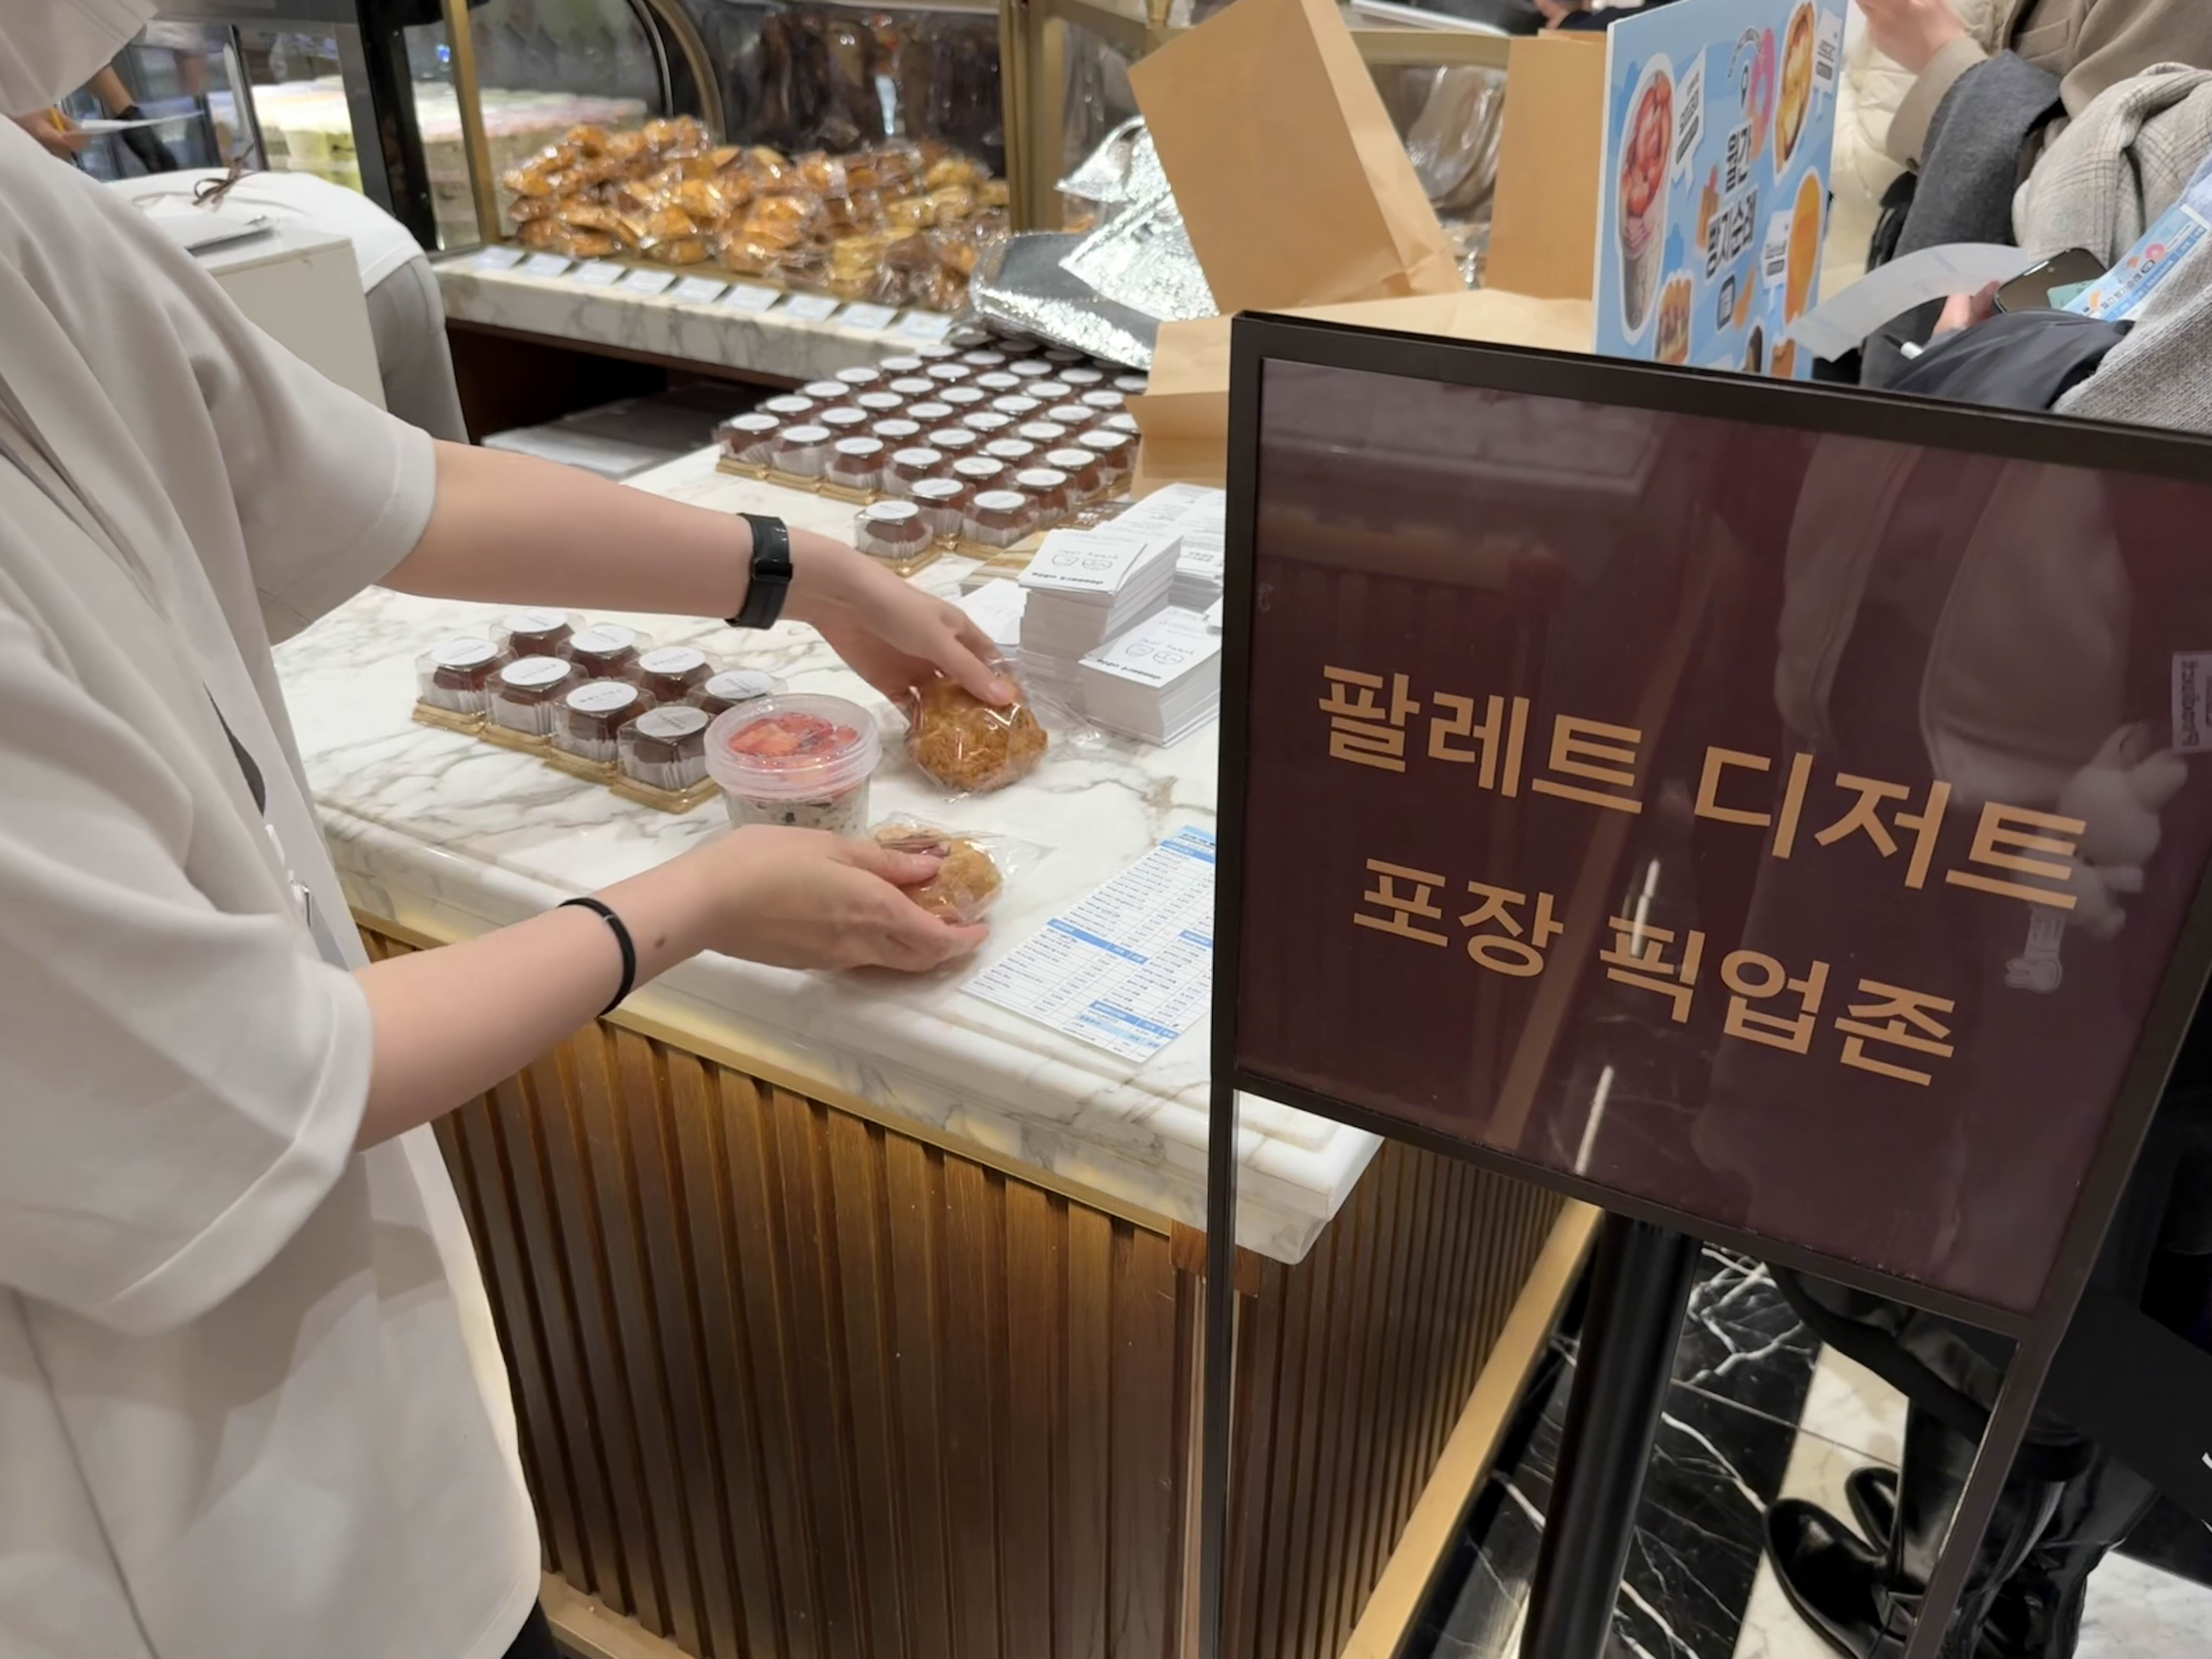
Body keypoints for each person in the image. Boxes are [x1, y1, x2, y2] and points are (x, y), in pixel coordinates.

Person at [0, 4, 1013, 1659]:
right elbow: (251, 1083)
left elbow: (399, 491)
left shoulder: (27, 211)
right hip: (134, 1532)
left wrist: (811, 572)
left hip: (368, 1417)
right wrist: (694, 902)